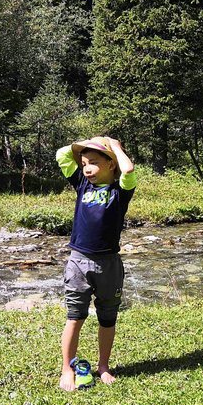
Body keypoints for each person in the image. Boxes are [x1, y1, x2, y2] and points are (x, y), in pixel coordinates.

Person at [54, 136, 137, 391]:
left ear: (111, 164)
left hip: (109, 264)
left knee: (107, 318)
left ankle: (103, 366)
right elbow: (61, 154)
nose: (87, 169)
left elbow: (128, 170)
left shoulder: (120, 192)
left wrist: (116, 147)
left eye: (94, 163)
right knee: (74, 317)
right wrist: (88, 142)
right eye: (84, 164)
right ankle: (67, 368)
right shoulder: (81, 185)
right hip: (78, 261)